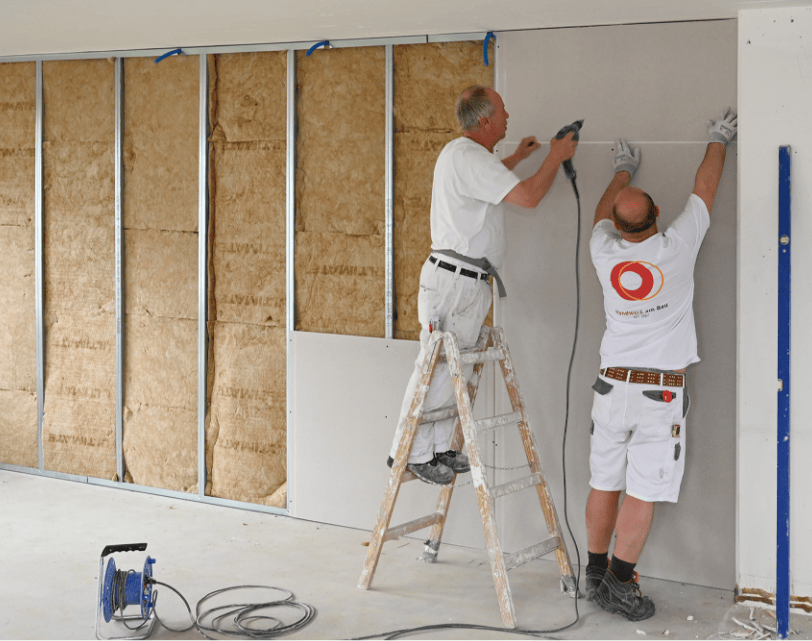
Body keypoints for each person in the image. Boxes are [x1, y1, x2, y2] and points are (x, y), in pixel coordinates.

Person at [584, 108, 738, 620]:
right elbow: (705, 189)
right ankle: (619, 583)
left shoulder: (603, 251)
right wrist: (719, 138)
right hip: (657, 393)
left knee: (604, 481)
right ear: (657, 214)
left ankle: (594, 572)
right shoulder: (677, 246)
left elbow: (601, 215)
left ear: (618, 227)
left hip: (610, 387)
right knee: (643, 490)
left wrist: (622, 171)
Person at [386, 85, 579, 485]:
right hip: (454, 283)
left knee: (453, 368)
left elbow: (486, 184)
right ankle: (409, 454)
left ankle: (438, 448)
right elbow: (527, 197)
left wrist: (518, 157)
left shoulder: (468, 156)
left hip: (465, 282)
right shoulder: (469, 156)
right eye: (503, 111)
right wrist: (555, 158)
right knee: (436, 366)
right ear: (486, 120)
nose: (508, 116)